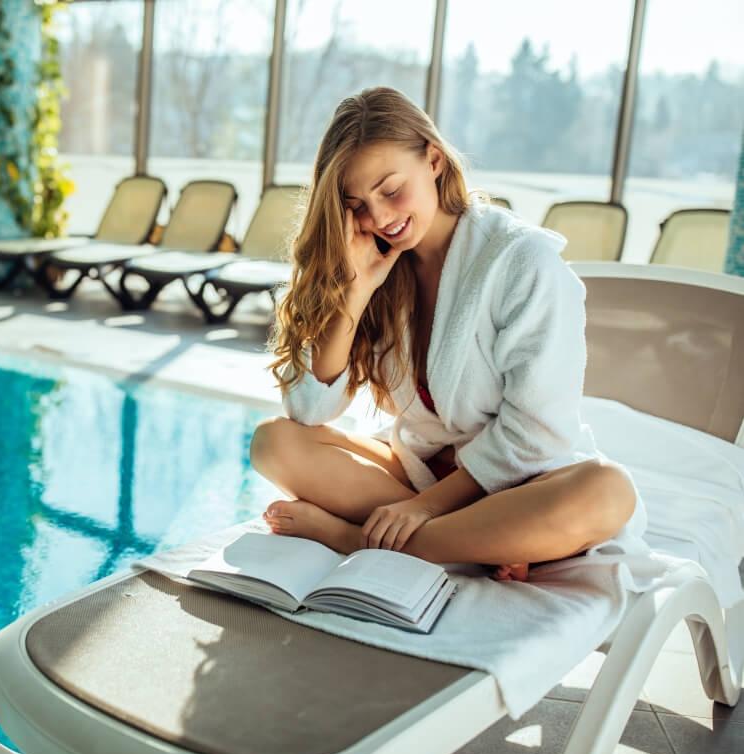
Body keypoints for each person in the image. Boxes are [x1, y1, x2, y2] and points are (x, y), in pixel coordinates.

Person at [250, 87, 647, 582]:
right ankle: (481, 542)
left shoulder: (522, 261)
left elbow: (538, 431)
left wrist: (424, 509)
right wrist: (354, 292)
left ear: (433, 160)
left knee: (608, 492)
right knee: (274, 443)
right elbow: (308, 411)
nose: (378, 218)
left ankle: (353, 537)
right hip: (417, 472)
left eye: (391, 190)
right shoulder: (374, 261)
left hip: (520, 482)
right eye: (356, 204)